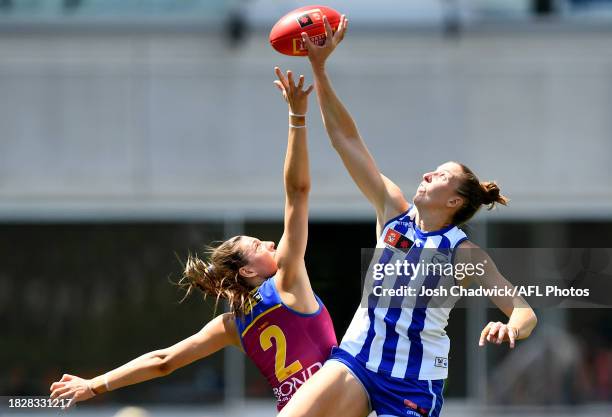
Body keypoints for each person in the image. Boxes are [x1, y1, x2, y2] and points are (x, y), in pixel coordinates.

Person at [278, 16, 538, 417]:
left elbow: (525, 311)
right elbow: (346, 139)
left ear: (454, 202)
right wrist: (319, 68)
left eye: (441, 176)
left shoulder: (463, 253)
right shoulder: (392, 212)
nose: (427, 174)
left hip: (412, 382)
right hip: (358, 362)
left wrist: (511, 328)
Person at [49, 67, 337, 412]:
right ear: (246, 272)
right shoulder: (288, 279)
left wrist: (94, 385)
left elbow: (164, 360)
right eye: (258, 246)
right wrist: (297, 116)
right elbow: (298, 192)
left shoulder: (233, 325)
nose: (271, 244)